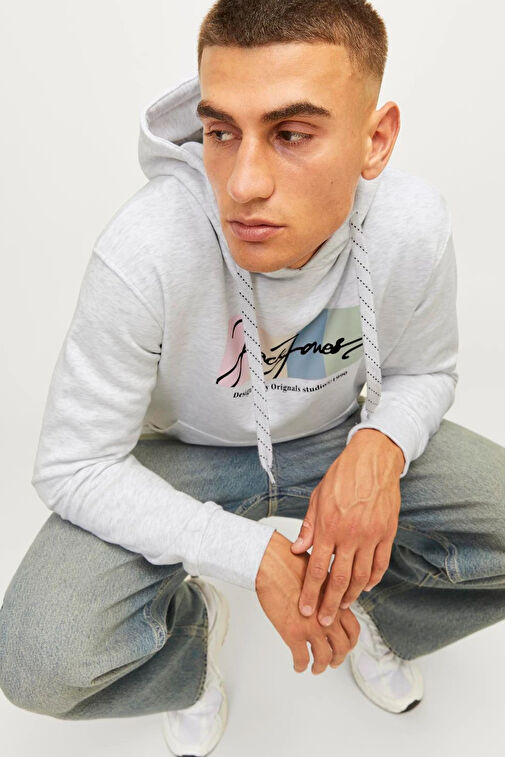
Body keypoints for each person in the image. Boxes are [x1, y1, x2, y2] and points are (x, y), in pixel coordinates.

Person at [1, 0, 504, 755]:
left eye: (291, 134)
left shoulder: (410, 226)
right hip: (186, 455)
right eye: (220, 132)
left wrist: (379, 447)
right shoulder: (145, 249)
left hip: (334, 438)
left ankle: (371, 612)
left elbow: (424, 370)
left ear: (374, 140)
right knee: (39, 659)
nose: (242, 184)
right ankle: (195, 646)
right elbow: (73, 464)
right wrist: (248, 554)